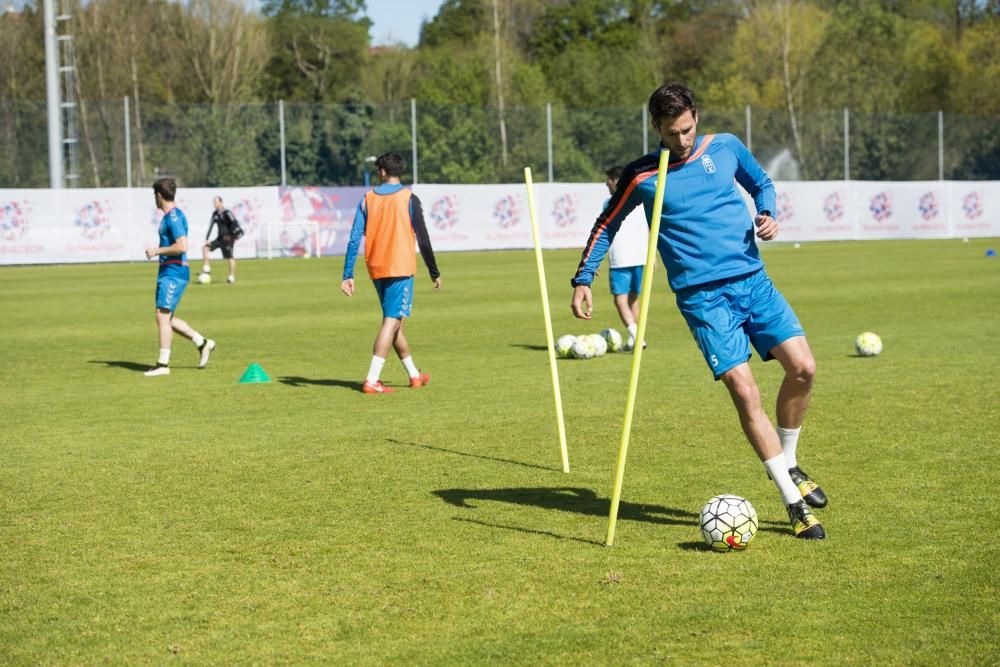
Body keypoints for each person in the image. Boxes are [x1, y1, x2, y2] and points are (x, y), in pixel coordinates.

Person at [570, 82, 827, 540]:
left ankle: (789, 460)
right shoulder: (642, 175)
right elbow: (606, 224)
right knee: (745, 392)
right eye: (671, 134)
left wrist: (766, 212)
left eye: (687, 129)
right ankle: (792, 501)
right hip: (703, 300)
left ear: (696, 117)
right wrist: (584, 278)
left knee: (804, 368)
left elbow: (761, 183)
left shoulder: (724, 147)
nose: (682, 141)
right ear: (656, 128)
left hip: (753, 282)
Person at [341, 153, 441, 394]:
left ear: (382, 172)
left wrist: (348, 273)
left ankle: (415, 375)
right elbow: (423, 237)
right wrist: (434, 270)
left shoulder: (367, 199)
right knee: (392, 321)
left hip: (376, 267)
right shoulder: (409, 198)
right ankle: (372, 380)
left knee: (396, 322)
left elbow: (355, 238)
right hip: (400, 266)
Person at [144, 177, 216, 376]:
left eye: (154, 196)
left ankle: (163, 365)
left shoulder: (173, 218)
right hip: (169, 271)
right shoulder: (172, 216)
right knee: (167, 318)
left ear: (159, 196)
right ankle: (203, 343)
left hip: (174, 272)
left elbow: (182, 245)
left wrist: (157, 250)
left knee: (162, 316)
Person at [603, 165, 648, 351]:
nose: (606, 184)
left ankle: (637, 338)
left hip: (620, 258)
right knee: (633, 299)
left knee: (620, 300)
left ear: (615, 181)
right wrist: (651, 256)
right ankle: (634, 340)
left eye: (608, 181)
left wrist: (594, 261)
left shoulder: (609, 202)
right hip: (640, 255)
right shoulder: (641, 198)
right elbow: (649, 226)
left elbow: (604, 231)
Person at [201, 196, 240, 283]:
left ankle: (231, 276)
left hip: (228, 239)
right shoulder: (215, 214)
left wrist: (230, 235)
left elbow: (234, 223)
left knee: (229, 257)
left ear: (221, 203)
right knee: (205, 248)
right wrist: (207, 238)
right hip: (219, 239)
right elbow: (210, 226)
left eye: (217, 202)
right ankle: (207, 267)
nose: (215, 204)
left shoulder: (227, 212)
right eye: (214, 202)